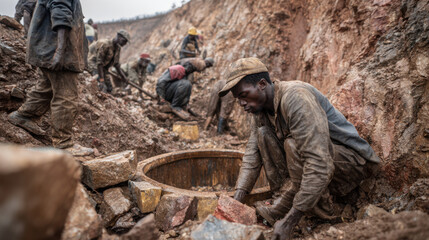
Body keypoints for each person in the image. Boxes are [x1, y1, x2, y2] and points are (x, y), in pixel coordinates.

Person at [218, 57, 380, 240]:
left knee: (292, 144)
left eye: (243, 95)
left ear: (262, 84)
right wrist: (236, 201)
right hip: (320, 163)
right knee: (263, 135)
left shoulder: (296, 98)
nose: (241, 104)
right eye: (238, 98)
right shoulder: (260, 109)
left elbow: (320, 163)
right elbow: (252, 154)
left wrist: (290, 221)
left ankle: (325, 212)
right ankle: (285, 199)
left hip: (352, 164)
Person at [8, 0, 92, 156]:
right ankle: (63, 144)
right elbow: (60, 15)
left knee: (45, 89)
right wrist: (60, 52)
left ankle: (23, 116)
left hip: (47, 50)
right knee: (65, 97)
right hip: (57, 53)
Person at [87, 29, 131, 93]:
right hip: (93, 64)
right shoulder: (105, 44)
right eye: (124, 41)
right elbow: (99, 63)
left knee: (109, 88)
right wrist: (101, 80)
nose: (125, 44)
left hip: (103, 67)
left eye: (126, 42)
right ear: (118, 37)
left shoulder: (118, 48)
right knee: (102, 87)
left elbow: (116, 64)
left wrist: (124, 77)